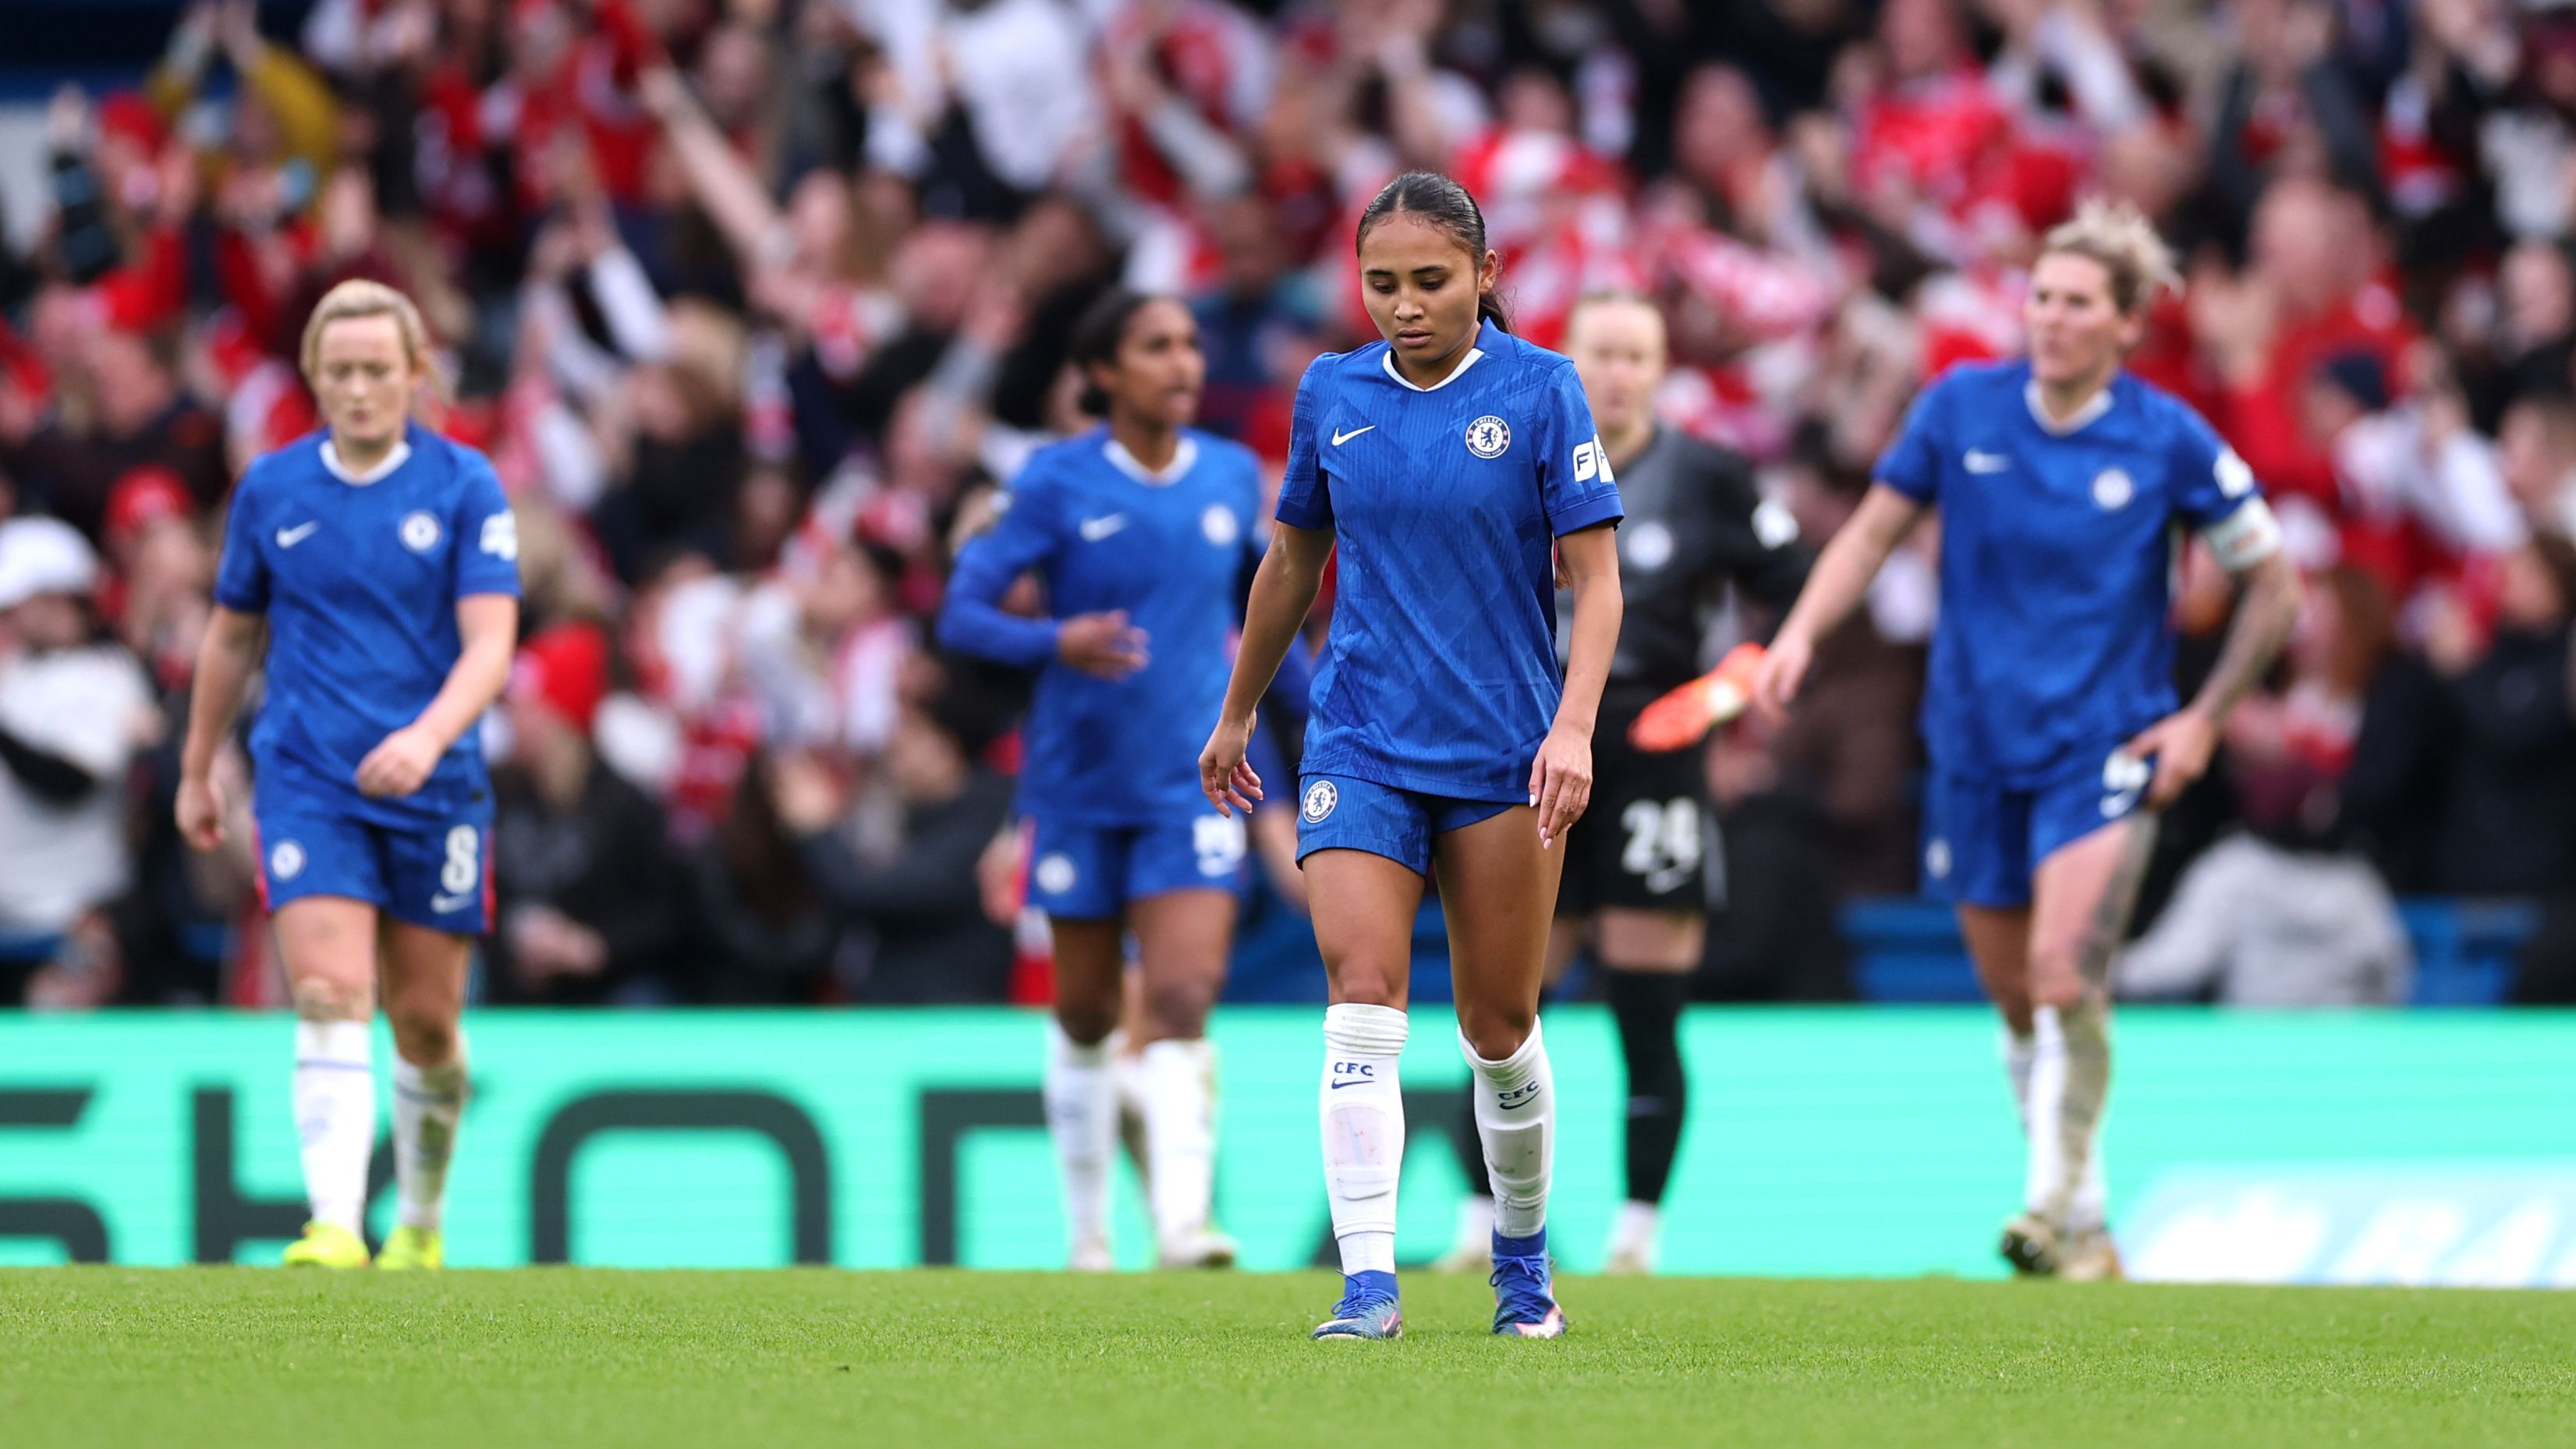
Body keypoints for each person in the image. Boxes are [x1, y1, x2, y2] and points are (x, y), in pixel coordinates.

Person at [1754, 200, 2303, 1279]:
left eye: (2075, 302)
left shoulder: (2166, 437)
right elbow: (1870, 531)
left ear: (2124, 322)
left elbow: (2273, 586)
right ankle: (2090, 1222)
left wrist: (2200, 717)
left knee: (2061, 972)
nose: (2048, 317)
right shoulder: (1960, 409)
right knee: (2016, 1000)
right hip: (1968, 746)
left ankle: (2049, 1203)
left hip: (2101, 746)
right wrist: (1797, 635)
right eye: (2039, 296)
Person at [1199, 171, 1625, 1340]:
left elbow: (1595, 584)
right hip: (1362, 738)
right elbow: (1290, 563)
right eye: (1380, 282)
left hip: (1503, 745)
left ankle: (1521, 1266)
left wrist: (1573, 724)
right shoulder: (1331, 391)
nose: (1402, 304)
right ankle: (1368, 1283)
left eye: (1429, 281)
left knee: (1496, 1028)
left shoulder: (1542, 391)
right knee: (1360, 1004)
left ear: (1485, 277)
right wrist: (1237, 713)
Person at [1434, 289, 1809, 1277]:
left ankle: (1637, 1232)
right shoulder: (1513, 452)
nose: (1619, 372)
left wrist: (1729, 688)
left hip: (1651, 752)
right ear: (1572, 359)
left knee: (1648, 1001)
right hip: (1526, 745)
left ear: (1661, 366)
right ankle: (1485, 1221)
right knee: (1507, 1003)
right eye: (1601, 351)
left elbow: (1793, 588)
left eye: (1638, 355)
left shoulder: (1708, 475)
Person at [176, 280, 522, 1270]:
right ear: (314, 380)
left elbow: (491, 644)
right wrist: (200, 765)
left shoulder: (463, 485)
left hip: (435, 785)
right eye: (342, 372)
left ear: (417, 375)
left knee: (425, 1023)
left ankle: (419, 1218)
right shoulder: (273, 490)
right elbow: (233, 632)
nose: (361, 389)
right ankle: (333, 1223)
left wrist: (427, 735)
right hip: (308, 776)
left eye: (379, 370)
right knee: (330, 990)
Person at [938, 288, 1263, 1270]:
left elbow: (1271, 613)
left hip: (1190, 782)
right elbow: (962, 611)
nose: (1184, 364)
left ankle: (1182, 1223)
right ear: (1103, 374)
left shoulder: (1236, 476)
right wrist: (1055, 638)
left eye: (1191, 344)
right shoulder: (1055, 482)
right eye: (1156, 347)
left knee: (1180, 996)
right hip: (1078, 785)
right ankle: (1088, 1233)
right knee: (1083, 1014)